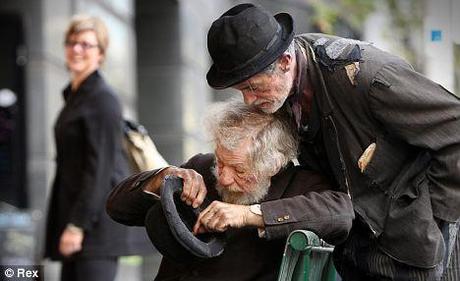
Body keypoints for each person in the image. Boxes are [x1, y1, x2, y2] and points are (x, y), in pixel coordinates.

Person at [205, 3, 460, 281]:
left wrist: (431, 217)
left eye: (252, 87)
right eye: (242, 90)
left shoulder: (369, 78)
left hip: (417, 248)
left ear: (285, 62)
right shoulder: (283, 87)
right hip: (358, 249)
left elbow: (455, 129)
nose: (248, 100)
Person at [106, 100, 354, 281]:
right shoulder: (201, 167)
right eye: (220, 161)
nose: (223, 178)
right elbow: (117, 209)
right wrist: (161, 178)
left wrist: (249, 215)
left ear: (273, 166)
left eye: (239, 170)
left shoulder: (299, 185)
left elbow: (341, 214)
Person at [44, 15, 153, 281]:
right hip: (78, 224)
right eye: (72, 42)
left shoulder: (103, 99)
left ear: (100, 54)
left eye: (86, 44)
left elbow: (100, 171)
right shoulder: (75, 97)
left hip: (95, 230)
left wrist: (76, 226)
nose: (77, 49)